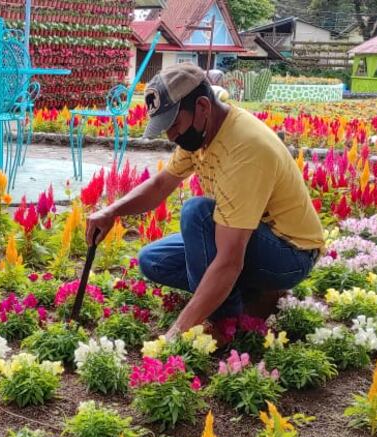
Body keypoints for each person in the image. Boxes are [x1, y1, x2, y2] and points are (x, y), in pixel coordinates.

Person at [85, 63, 324, 339]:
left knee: (197, 214)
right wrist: (112, 212)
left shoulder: (245, 149)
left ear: (202, 106)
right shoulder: (201, 133)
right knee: (153, 260)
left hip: (290, 252)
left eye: (173, 124)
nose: (171, 135)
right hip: (252, 236)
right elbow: (162, 184)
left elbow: (230, 260)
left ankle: (227, 323)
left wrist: (177, 332)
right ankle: (256, 294)